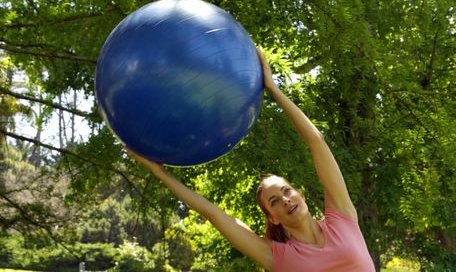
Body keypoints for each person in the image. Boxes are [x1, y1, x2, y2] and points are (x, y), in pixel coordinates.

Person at [128, 49, 376, 271]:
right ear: (273, 218)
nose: (286, 200)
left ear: (301, 194)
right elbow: (213, 214)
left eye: (287, 191)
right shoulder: (277, 257)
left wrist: (272, 88)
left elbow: (316, 141)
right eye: (275, 202)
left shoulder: (342, 218)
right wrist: (161, 173)